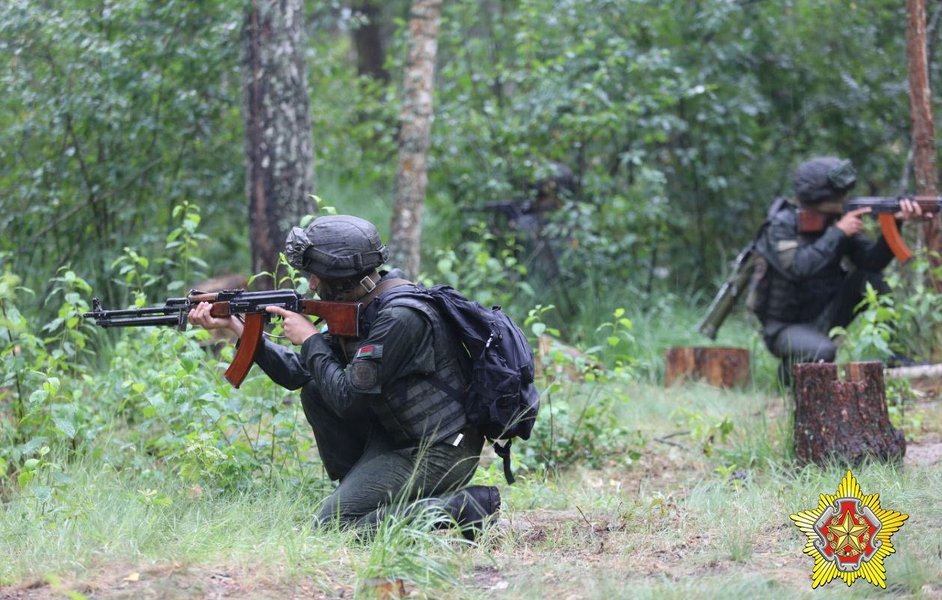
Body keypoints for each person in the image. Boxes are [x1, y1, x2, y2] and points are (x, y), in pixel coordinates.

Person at [188, 215, 500, 537]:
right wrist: (238, 328)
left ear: (340, 277)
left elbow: (348, 399)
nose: (310, 284)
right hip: (397, 437)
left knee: (333, 527)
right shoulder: (364, 305)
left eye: (316, 275)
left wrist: (309, 338)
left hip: (441, 449)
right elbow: (301, 373)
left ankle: (463, 507)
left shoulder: (400, 317)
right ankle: (360, 492)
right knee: (315, 387)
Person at [751, 156, 931, 386]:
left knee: (869, 279)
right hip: (784, 327)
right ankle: (788, 374)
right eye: (839, 196)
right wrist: (837, 232)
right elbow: (797, 268)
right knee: (824, 352)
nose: (844, 199)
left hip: (826, 314)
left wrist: (895, 223)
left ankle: (893, 355)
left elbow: (872, 262)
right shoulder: (781, 225)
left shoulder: (835, 221)